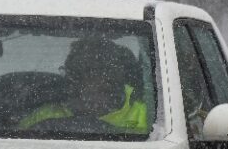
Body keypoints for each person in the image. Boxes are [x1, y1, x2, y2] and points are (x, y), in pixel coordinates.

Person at [17, 35, 149, 132]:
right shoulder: (45, 115)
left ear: (117, 75)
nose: (96, 79)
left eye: (100, 70)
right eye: (82, 71)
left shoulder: (147, 115)